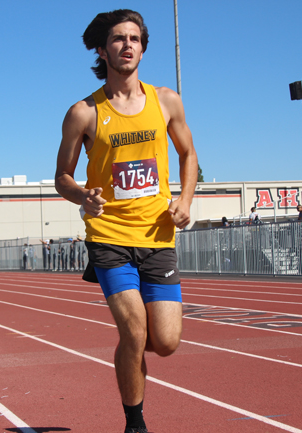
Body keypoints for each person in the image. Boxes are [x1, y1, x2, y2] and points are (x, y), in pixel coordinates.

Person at [54, 10, 198, 433]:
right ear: (102, 50)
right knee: (134, 332)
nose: (127, 45)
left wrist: (185, 200)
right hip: (109, 236)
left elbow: (188, 154)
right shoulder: (83, 112)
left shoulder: (166, 101)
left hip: (158, 235)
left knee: (165, 343)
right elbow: (62, 176)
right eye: (118, 38)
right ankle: (135, 422)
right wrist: (82, 195)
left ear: (143, 48)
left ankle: (130, 356)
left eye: (135, 38)